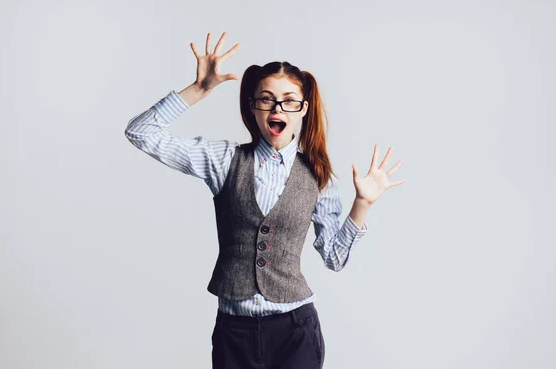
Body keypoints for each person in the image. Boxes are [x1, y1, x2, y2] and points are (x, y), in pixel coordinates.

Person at [124, 32, 406, 369]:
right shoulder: (223, 160)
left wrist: (363, 204)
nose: (277, 108)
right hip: (234, 333)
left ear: (302, 109)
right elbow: (140, 132)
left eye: (289, 100)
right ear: (252, 106)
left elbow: (333, 257)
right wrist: (197, 90)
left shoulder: (319, 175)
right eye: (267, 99)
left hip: (295, 331)